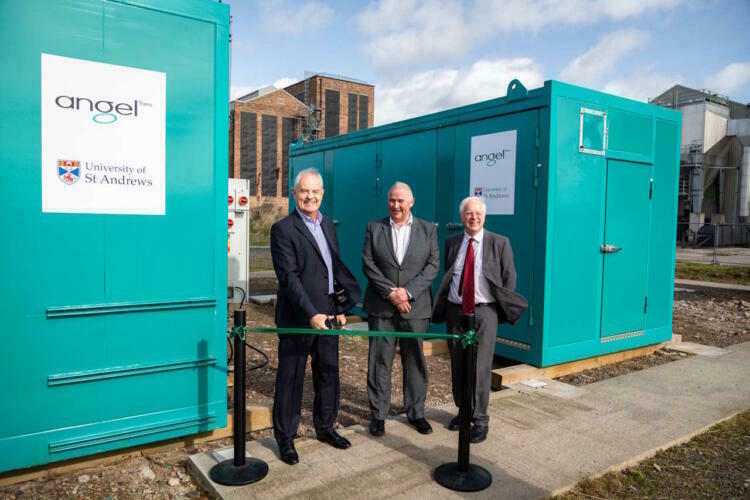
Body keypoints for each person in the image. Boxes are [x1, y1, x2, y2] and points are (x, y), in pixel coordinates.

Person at [270, 168, 361, 465]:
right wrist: (311, 314)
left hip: (329, 318)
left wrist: (339, 309)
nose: (310, 196)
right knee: (291, 380)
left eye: (316, 191)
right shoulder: (283, 229)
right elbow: (289, 278)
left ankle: (325, 427)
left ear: (322, 194)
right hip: (299, 318)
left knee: (328, 374)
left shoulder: (328, 225)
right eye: (304, 191)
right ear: (294, 194)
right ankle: (285, 439)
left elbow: (331, 271)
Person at [432, 196, 527, 443]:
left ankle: (481, 419)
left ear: (484, 216)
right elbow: (449, 275)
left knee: (481, 367)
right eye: (468, 213)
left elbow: (510, 279)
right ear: (462, 217)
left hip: (485, 312)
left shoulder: (499, 243)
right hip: (456, 311)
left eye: (478, 214)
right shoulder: (452, 242)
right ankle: (463, 412)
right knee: (458, 364)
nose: (473, 217)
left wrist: (496, 305)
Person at [362, 182, 439, 437]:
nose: (396, 205)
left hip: (415, 308)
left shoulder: (428, 230)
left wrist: (407, 292)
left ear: (412, 202)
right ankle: (379, 415)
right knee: (379, 361)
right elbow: (368, 264)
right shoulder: (375, 228)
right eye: (392, 200)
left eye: (401, 201)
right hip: (381, 307)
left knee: (415, 360)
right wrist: (391, 293)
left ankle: (416, 413)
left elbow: (432, 266)